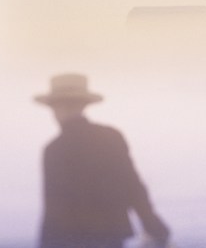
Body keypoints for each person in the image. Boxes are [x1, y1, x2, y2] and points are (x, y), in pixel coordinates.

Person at [34, 73, 170, 248]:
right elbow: (132, 185)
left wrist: (46, 244)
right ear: (83, 105)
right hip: (110, 237)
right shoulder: (110, 137)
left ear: (56, 108)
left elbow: (53, 208)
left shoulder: (54, 150)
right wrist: (152, 223)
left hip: (69, 240)